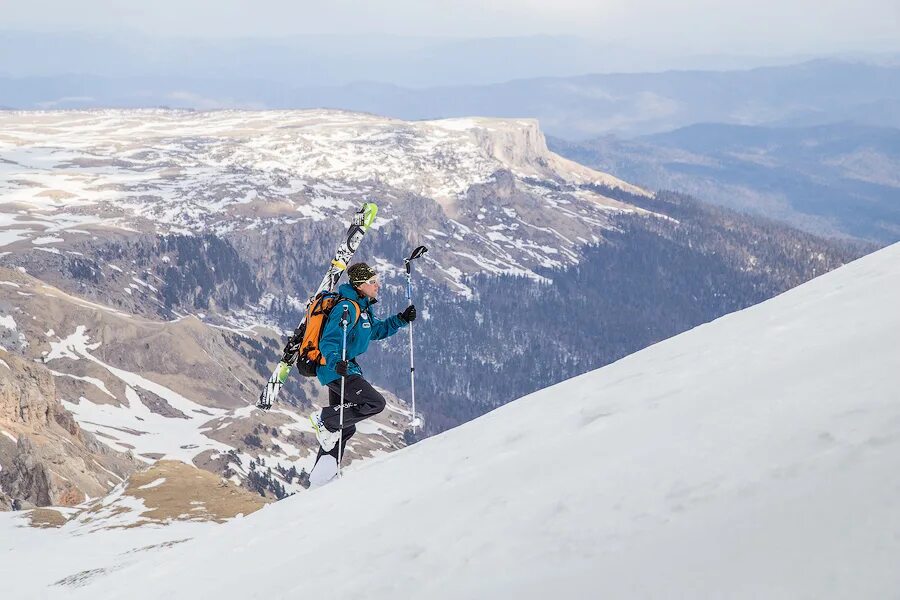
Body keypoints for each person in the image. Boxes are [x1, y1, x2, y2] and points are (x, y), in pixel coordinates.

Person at [308, 262, 416, 465]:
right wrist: (335, 362)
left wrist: (400, 320)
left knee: (345, 425)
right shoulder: (346, 307)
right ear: (359, 285)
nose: (377, 286)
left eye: (377, 281)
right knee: (374, 403)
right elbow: (329, 341)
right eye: (372, 282)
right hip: (336, 369)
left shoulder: (362, 307)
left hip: (345, 367)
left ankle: (324, 471)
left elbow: (374, 331)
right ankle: (324, 418)